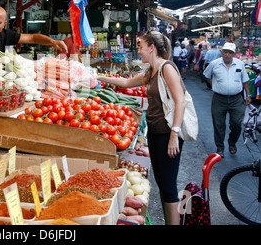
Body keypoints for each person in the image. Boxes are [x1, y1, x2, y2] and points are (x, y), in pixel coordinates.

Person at [97, 31, 186, 225]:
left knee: (168, 185)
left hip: (167, 134)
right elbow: (128, 82)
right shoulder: (151, 71)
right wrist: (99, 78)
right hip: (155, 133)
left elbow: (181, 102)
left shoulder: (167, 68)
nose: (139, 51)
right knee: (162, 183)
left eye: (141, 47)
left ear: (151, 48)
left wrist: (174, 135)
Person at [203, 42, 251, 157]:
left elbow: (245, 80)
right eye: (226, 52)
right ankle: (220, 147)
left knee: (237, 124)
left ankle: (232, 142)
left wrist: (248, 95)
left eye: (230, 53)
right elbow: (206, 75)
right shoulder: (215, 64)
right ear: (222, 52)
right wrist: (214, 85)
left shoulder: (240, 64)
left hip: (236, 99)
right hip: (219, 99)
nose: (227, 55)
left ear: (234, 54)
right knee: (218, 124)